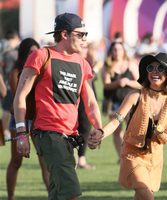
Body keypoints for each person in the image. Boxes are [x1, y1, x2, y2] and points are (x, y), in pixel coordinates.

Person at [13, 13, 102, 200]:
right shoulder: (41, 56)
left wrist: (98, 127)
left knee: (57, 193)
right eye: (81, 34)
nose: (85, 39)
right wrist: (21, 132)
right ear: (64, 34)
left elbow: (91, 102)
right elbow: (20, 96)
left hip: (70, 137)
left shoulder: (82, 63)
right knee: (71, 192)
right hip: (48, 134)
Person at [88, 52, 167, 200]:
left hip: (154, 158)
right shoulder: (135, 96)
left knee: (141, 196)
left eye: (160, 68)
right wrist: (101, 133)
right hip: (132, 154)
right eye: (151, 68)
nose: (154, 72)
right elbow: (115, 121)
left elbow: (166, 138)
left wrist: (159, 133)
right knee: (147, 196)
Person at [7, 38, 49, 200]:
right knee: (16, 161)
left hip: (38, 118)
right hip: (20, 118)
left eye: (36, 51)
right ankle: (11, 196)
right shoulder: (16, 72)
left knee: (44, 162)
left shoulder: (42, 71)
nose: (34, 55)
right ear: (24, 54)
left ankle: (52, 195)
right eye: (30, 52)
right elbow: (18, 97)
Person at [102, 41, 141, 161]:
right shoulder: (107, 66)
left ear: (124, 51)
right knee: (116, 130)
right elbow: (106, 85)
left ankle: (131, 152)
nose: (117, 52)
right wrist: (118, 83)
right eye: (114, 50)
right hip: (113, 102)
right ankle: (121, 156)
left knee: (131, 129)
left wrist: (128, 82)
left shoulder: (131, 64)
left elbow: (140, 84)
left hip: (130, 102)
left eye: (119, 49)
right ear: (111, 52)